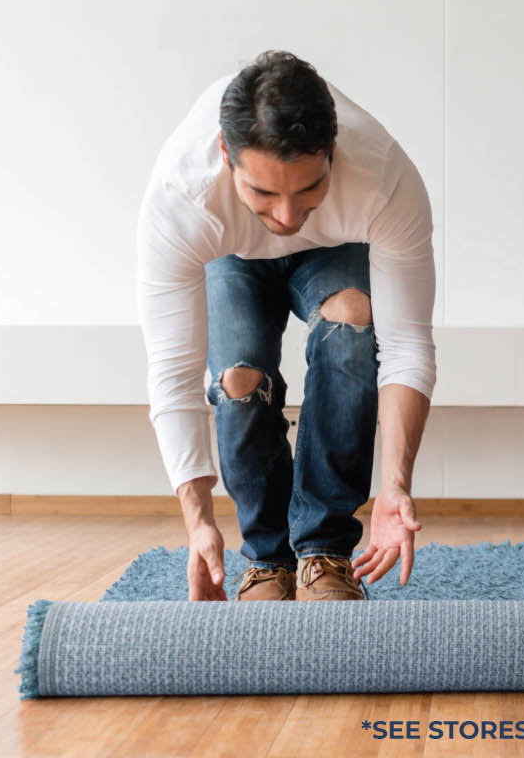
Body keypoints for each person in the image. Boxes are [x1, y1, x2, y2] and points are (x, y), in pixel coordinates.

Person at [136, 50, 435, 602]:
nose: (287, 217)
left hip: (334, 246)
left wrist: (395, 485)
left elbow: (407, 345)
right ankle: (268, 559)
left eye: (307, 190)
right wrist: (198, 522)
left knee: (352, 318)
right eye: (264, 193)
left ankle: (324, 551)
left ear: (332, 152)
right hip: (232, 253)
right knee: (238, 377)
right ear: (226, 156)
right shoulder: (184, 196)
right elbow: (173, 374)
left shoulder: (383, 177)